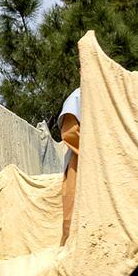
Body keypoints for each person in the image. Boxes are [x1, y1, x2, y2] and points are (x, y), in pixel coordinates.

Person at [58, 87, 81, 246]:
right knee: (72, 218)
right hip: (79, 164)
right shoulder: (78, 96)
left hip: (99, 166)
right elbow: (70, 133)